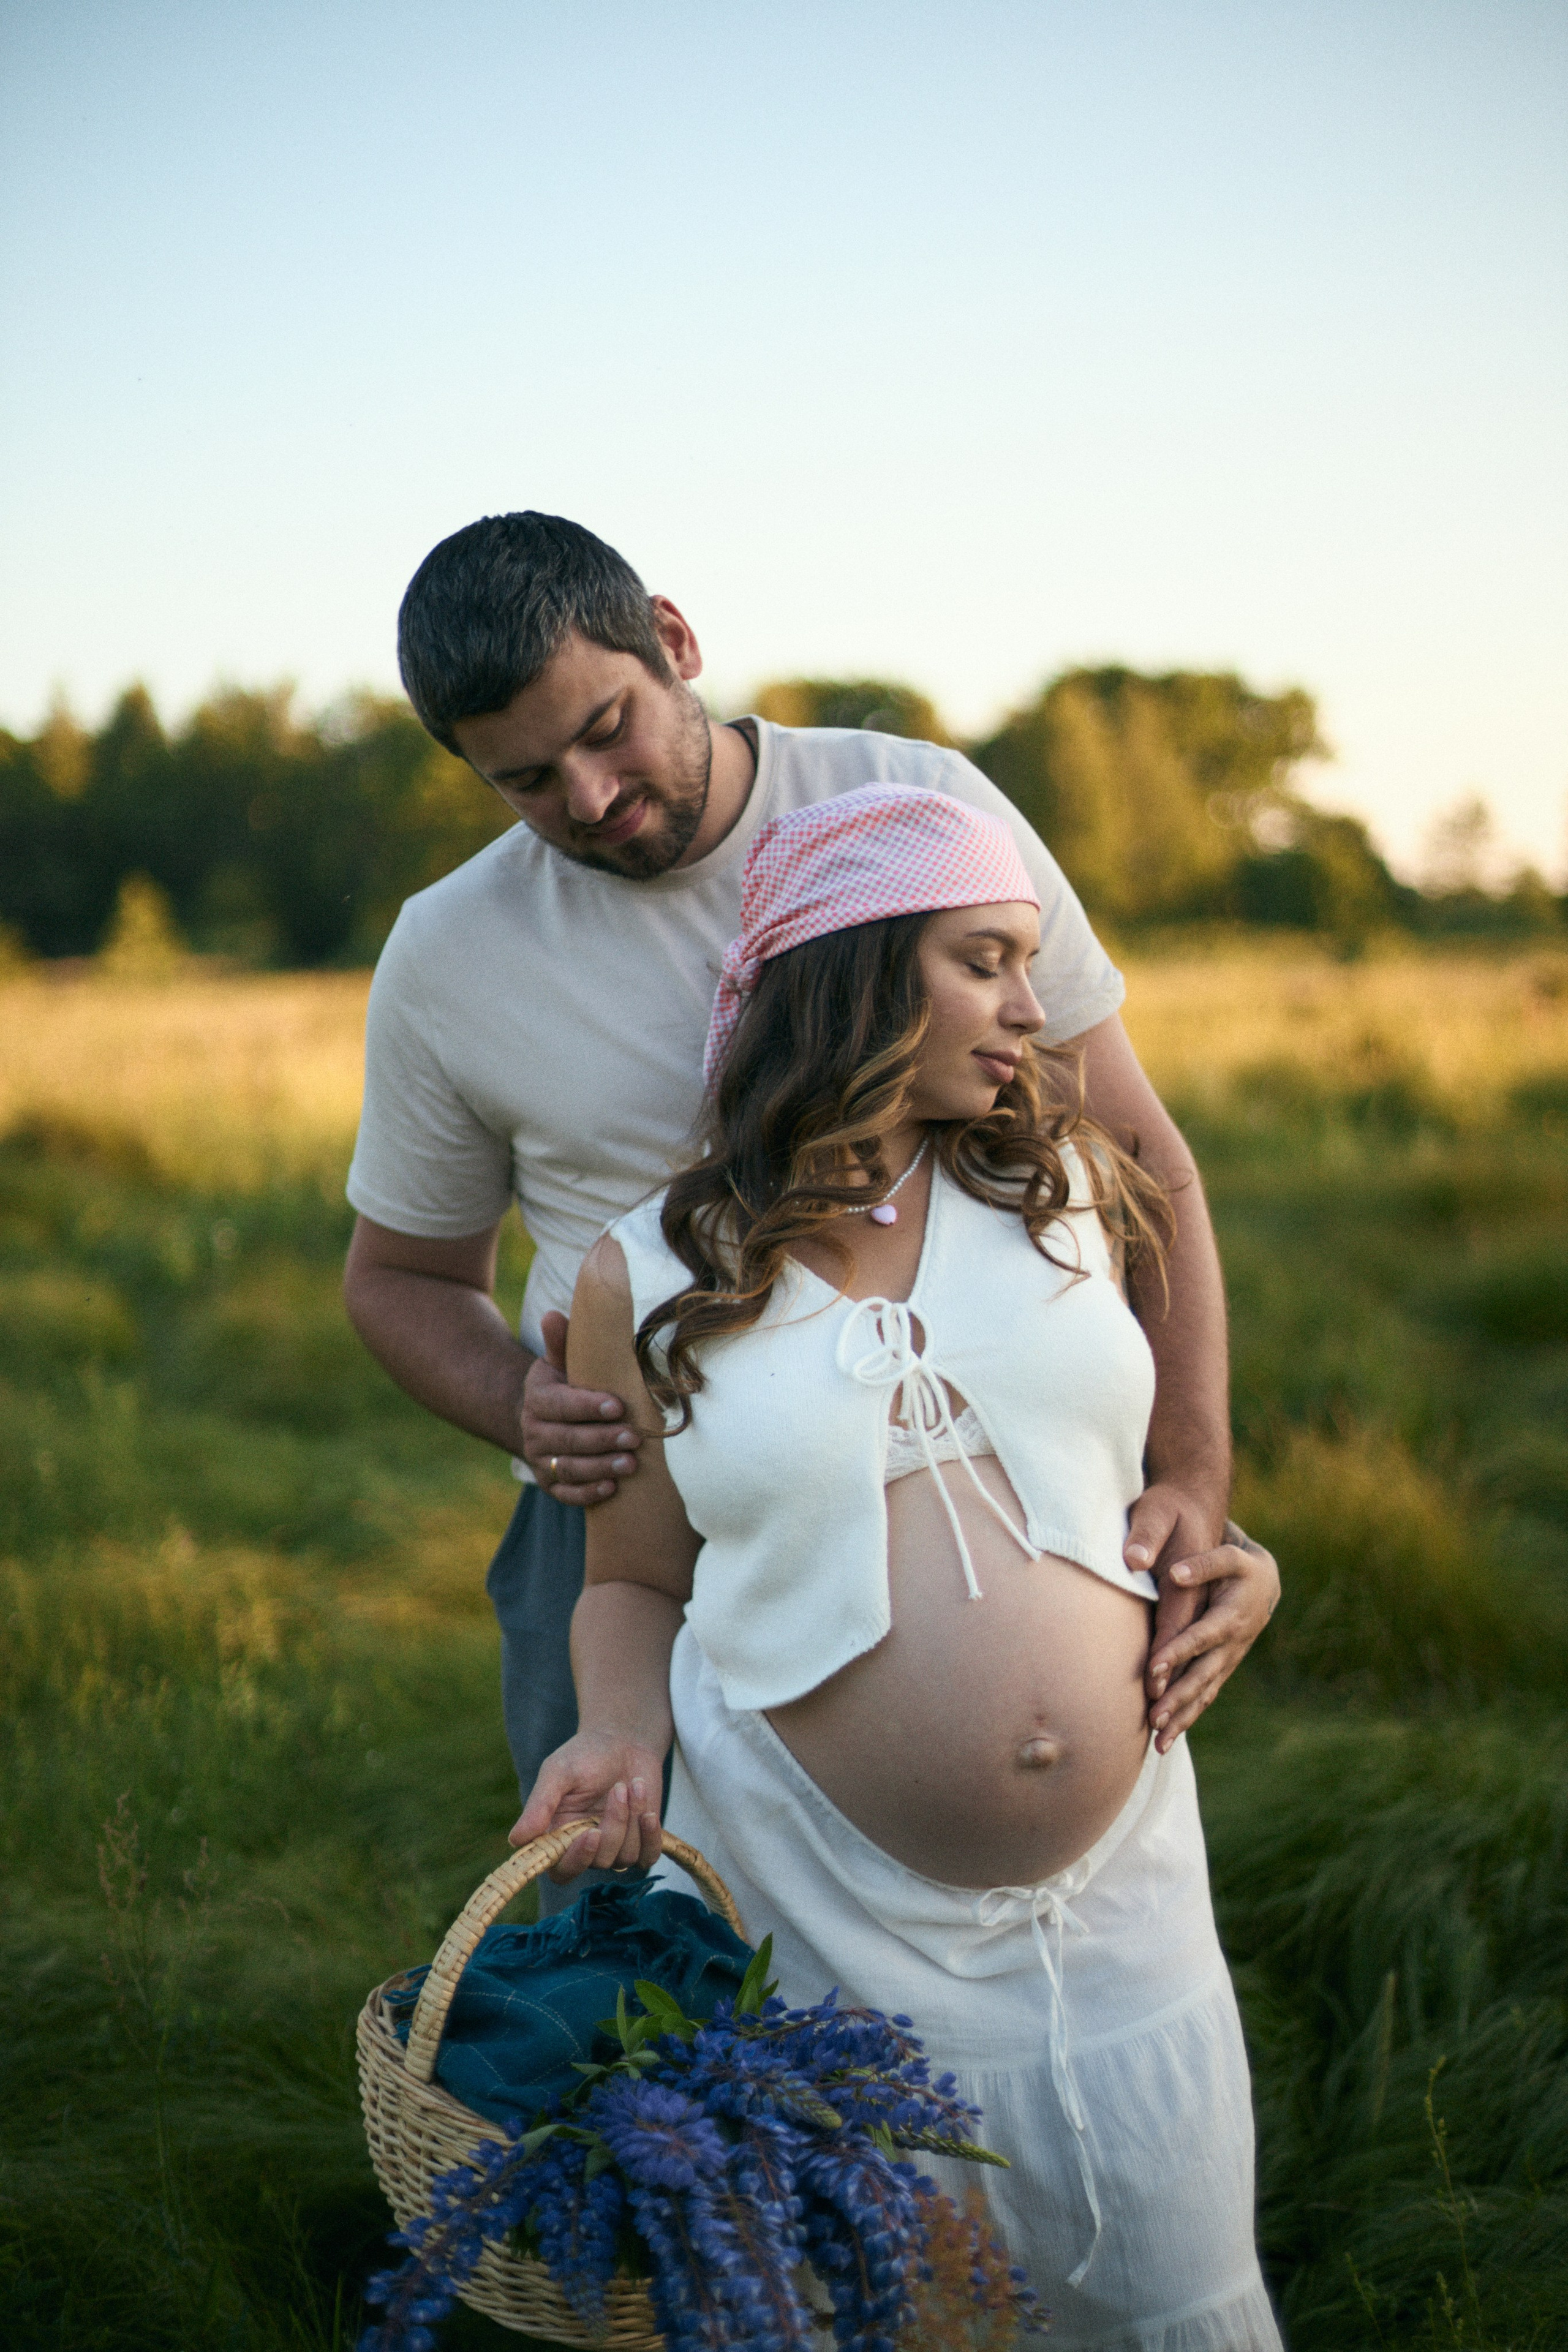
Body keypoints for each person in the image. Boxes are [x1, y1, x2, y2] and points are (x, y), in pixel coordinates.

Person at [343, 511, 1275, 1886]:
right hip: (628, 1511)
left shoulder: (910, 799)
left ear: (672, 640)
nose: (591, 798)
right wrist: (517, 1404)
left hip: (974, 1430)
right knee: (625, 1931)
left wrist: (1190, 1468)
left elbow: (1138, 1157)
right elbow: (402, 1278)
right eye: (528, 780)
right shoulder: (450, 950)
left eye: (608, 729)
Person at [513, 784, 1282, 2346]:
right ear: (856, 969)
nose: (1028, 1004)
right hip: (831, 1919)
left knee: (1173, 2299)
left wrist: (1231, 1546)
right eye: (984, 959)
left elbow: (1140, 1487)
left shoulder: (1059, 1189)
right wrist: (610, 1731)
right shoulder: (650, 1272)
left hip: (1124, 1905)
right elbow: (629, 1580)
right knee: (908, 2314)